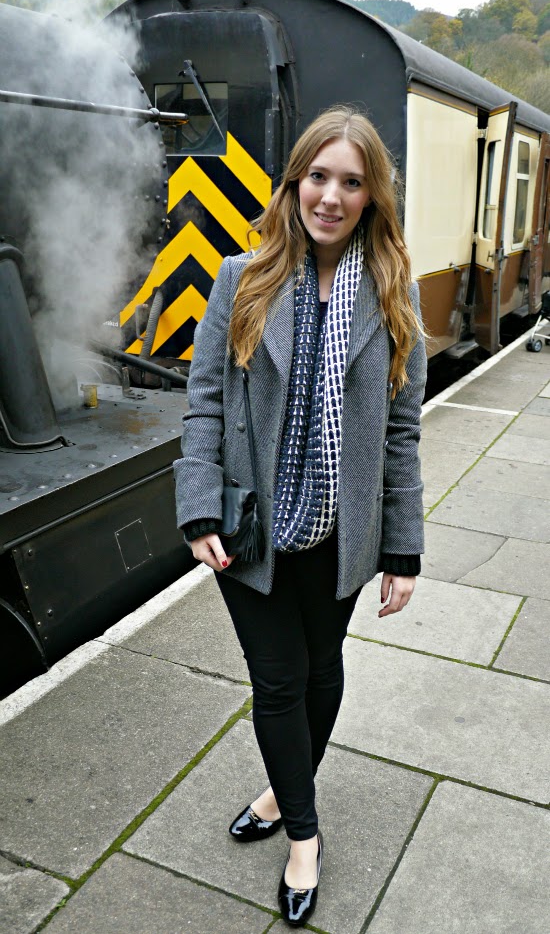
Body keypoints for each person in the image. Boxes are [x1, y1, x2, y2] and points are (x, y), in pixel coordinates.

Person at [174, 104, 426, 928]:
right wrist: (198, 504)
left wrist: (404, 548)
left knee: (323, 672)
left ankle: (284, 793)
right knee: (278, 681)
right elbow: (205, 403)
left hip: (340, 535)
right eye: (319, 175)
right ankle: (306, 835)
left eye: (351, 182)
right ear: (295, 184)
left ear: (370, 197)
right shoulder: (241, 279)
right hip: (252, 531)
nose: (331, 195)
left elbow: (402, 433)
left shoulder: (394, 294)